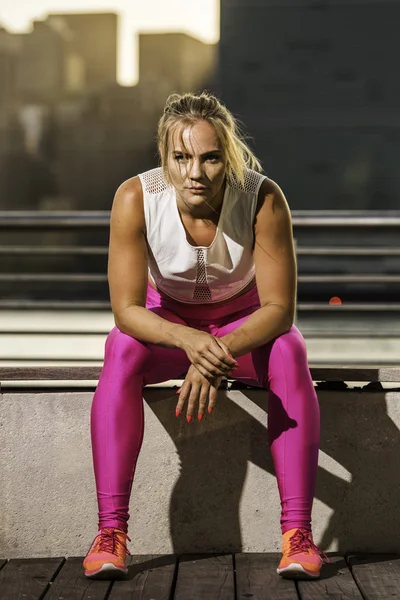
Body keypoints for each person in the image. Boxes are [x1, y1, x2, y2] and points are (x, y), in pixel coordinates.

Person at [83, 91, 324, 580]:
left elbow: (279, 310)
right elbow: (127, 310)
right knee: (120, 346)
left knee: (290, 349)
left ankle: (298, 536)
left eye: (211, 157)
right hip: (167, 330)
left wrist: (216, 352)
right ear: (165, 158)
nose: (196, 171)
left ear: (227, 156)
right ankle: (111, 534)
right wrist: (189, 342)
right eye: (182, 157)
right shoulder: (135, 197)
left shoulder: (263, 197)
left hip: (243, 331)